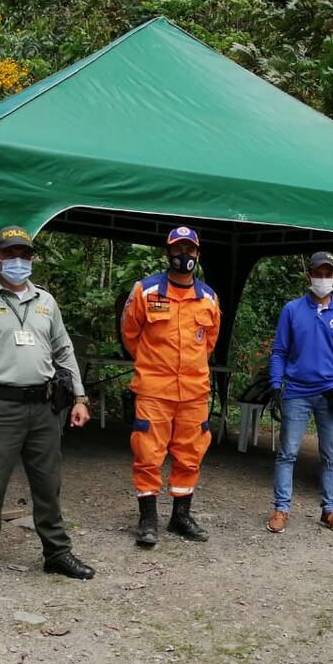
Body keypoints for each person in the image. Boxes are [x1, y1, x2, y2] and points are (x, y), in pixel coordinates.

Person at [0, 225, 96, 601]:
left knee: (49, 485)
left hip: (45, 408)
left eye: (25, 254)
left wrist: (79, 398)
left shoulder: (46, 302)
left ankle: (57, 553)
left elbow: (64, 351)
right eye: (11, 254)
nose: (19, 261)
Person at [121, 225, 221, 546]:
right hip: (154, 391)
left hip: (194, 393)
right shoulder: (145, 291)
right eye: (177, 250)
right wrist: (154, 365)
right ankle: (148, 518)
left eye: (189, 250)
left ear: (197, 254)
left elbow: (209, 342)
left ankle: (180, 516)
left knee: (190, 455)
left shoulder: (208, 298)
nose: (183, 255)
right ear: (168, 253)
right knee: (148, 454)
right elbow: (130, 334)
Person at [266, 251, 333, 535]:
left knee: (331, 455)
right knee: (287, 453)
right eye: (318, 273)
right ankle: (281, 508)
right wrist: (275, 386)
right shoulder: (292, 310)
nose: (323, 278)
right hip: (296, 391)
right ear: (309, 275)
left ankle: (329, 510)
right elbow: (280, 352)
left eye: (328, 273)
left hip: (332, 393)